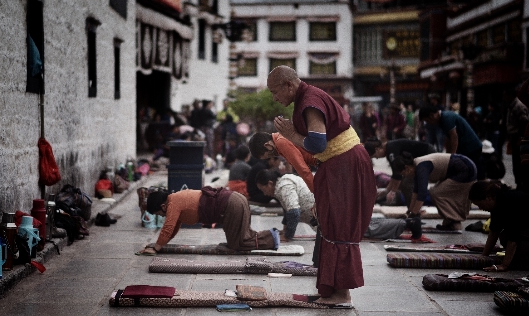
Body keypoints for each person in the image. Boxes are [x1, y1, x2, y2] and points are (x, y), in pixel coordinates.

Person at [266, 66, 376, 307]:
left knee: (340, 225)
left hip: (345, 164)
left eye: (275, 92)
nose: (275, 98)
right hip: (337, 164)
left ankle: (342, 294)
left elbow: (316, 142)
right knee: (330, 224)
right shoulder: (306, 97)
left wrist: (291, 135)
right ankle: (331, 291)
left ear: (289, 85)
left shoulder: (310, 100)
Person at [256, 167, 423, 243]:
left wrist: (288, 236)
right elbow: (288, 211)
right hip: (329, 209)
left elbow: (293, 211)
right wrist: (285, 230)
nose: (264, 193)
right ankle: (404, 223)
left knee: (365, 229)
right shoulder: (283, 185)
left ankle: (407, 224)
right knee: (363, 225)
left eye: (263, 189)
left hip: (331, 210)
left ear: (270, 183)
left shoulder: (283, 185)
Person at [137, 188, 279, 255]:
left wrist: (155, 248)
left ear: (162, 206)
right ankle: (270, 237)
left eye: (159, 214)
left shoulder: (172, 204)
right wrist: (160, 245)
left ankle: (272, 238)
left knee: (238, 244)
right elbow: (172, 229)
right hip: (235, 200)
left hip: (232, 205)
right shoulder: (174, 200)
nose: (162, 217)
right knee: (243, 236)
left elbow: (167, 228)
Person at [394, 152, 477, 231]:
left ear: (407, 168)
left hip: (466, 169)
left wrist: (414, 215)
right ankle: (450, 221)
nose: (404, 176)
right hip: (460, 169)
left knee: (436, 193)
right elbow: (416, 192)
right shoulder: (417, 166)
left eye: (403, 174)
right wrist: (410, 212)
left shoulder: (421, 167)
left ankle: (454, 221)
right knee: (436, 191)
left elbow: (422, 194)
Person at [469, 179, 529, 271]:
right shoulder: (497, 203)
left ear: (488, 197)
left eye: (480, 204)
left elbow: (513, 238)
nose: (481, 208)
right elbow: (493, 232)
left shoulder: (509, 202)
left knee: (511, 241)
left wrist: (504, 265)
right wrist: (484, 257)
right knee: (503, 236)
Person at [419, 105, 486, 181]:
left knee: (474, 170)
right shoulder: (442, 120)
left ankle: (483, 187)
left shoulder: (446, 117)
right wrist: (448, 156)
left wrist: (452, 156)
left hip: (471, 147)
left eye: (428, 120)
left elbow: (454, 137)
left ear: (432, 115)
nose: (429, 123)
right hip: (466, 147)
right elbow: (448, 139)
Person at [364, 137, 437, 205]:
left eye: (375, 156)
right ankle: (413, 211)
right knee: (406, 183)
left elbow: (397, 175)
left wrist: (392, 192)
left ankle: (414, 211)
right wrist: (387, 190)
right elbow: (395, 174)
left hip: (428, 154)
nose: (377, 158)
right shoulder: (390, 150)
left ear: (377, 149)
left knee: (407, 183)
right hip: (420, 159)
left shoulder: (391, 151)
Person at [248, 131, 316, 190]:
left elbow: (303, 169)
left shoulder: (280, 143)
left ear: (267, 145)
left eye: (269, 155)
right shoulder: (279, 139)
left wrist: (315, 192)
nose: (272, 156)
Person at [503, 86, 529, 189]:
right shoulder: (511, 105)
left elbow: (524, 122)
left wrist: (520, 138)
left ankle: (522, 184)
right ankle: (519, 183)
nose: (504, 97)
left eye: (505, 95)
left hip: (519, 139)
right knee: (515, 163)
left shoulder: (519, 106)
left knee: (519, 163)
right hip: (513, 138)